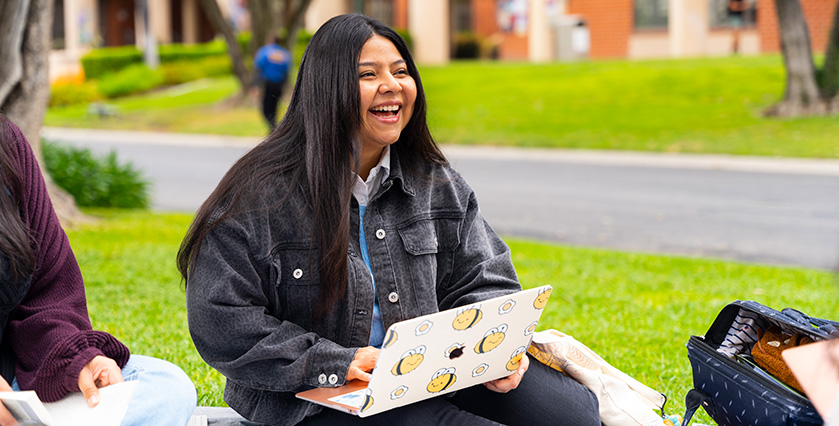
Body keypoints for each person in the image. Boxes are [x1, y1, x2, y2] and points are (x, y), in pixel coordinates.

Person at [179, 14, 600, 426]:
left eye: (401, 71)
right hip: (314, 394)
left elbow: (485, 278)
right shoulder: (259, 193)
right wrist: (338, 361)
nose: (392, 86)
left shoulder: (435, 181)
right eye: (368, 75)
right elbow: (221, 317)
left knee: (573, 414)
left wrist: (492, 349)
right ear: (327, 89)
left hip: (432, 371)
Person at [0, 20, 196, 426]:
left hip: (6, 391)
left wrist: (74, 358)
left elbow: (48, 293)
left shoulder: (6, 149)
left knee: (164, 384)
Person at [254, 33, 291, 129]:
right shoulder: (285, 54)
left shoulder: (264, 52)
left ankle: (272, 126)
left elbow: (258, 68)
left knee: (266, 108)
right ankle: (273, 126)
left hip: (268, 84)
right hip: (279, 84)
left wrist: (255, 85)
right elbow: (287, 71)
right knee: (274, 107)